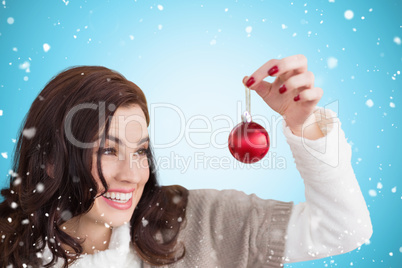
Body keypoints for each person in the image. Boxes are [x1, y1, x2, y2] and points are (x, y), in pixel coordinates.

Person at [0, 55, 372, 268]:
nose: (132, 175)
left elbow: (344, 228)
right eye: (108, 151)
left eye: (141, 151)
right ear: (50, 160)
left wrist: (303, 124)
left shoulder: (197, 224)